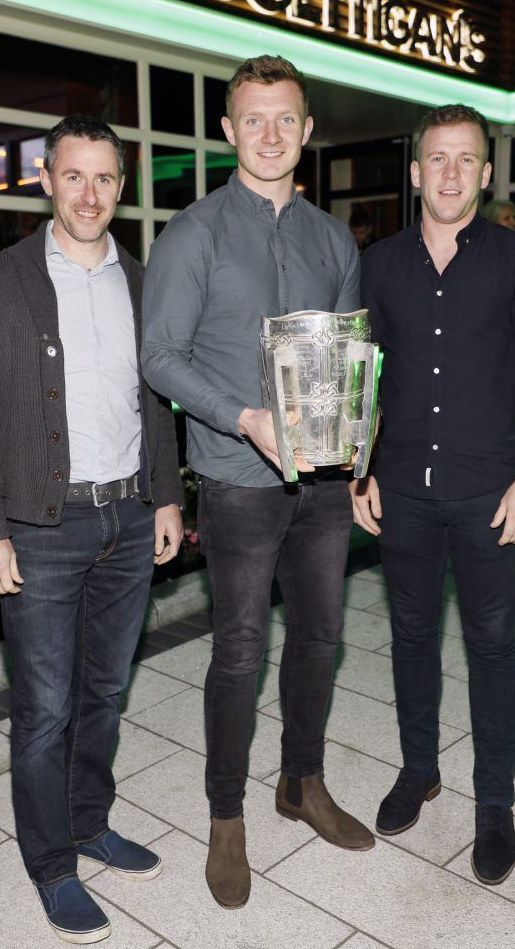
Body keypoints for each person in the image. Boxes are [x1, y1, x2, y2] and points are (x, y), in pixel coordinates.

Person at [0, 115, 183, 945]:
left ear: (123, 186)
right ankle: (51, 864)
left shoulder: (143, 281)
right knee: (46, 707)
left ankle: (87, 821)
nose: (89, 194)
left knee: (106, 693)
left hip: (127, 515)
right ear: (46, 179)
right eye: (73, 176)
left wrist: (166, 498)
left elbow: (156, 405)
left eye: (105, 179)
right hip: (37, 528)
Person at [141, 54, 375, 911]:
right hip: (238, 476)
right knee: (239, 649)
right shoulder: (193, 233)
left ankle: (300, 782)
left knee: (319, 637)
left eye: (285, 119)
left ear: (306, 130)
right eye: (252, 118)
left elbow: (349, 360)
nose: (269, 134)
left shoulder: (330, 238)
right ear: (227, 128)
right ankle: (225, 815)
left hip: (319, 480)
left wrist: (358, 460)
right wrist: (244, 416)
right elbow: (158, 355)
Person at [353, 104, 515, 886]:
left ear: (483, 174)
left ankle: (494, 806)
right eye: (435, 159)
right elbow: (363, 376)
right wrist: (358, 470)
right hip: (400, 487)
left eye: (463, 160)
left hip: (488, 491)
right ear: (415, 172)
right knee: (409, 639)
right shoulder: (376, 266)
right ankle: (418, 769)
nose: (448, 173)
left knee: (491, 648)